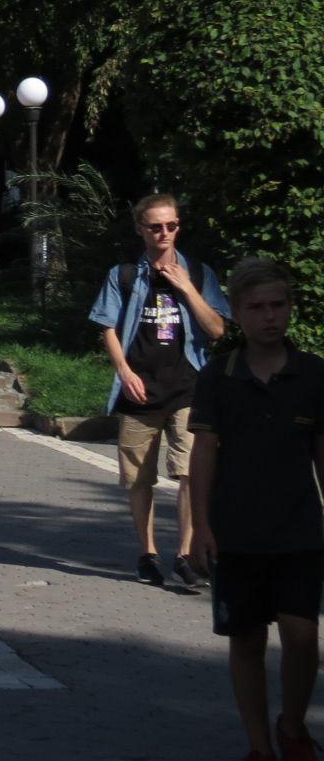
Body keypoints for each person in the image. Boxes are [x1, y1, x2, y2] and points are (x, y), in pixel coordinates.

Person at [185, 257, 322, 761]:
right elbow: (204, 453)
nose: (270, 316)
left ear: (290, 308)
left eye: (278, 305)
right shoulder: (219, 376)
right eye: (257, 307)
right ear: (237, 314)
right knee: (245, 639)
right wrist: (200, 526)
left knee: (302, 636)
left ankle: (293, 729)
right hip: (235, 530)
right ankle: (259, 749)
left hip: (299, 528)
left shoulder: (313, 374)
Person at [89, 193, 229, 588]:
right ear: (140, 229)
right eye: (155, 226)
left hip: (188, 387)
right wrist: (124, 371)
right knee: (138, 478)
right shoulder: (124, 276)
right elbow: (108, 326)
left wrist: (187, 289)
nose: (164, 233)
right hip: (140, 390)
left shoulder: (198, 272)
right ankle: (148, 553)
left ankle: (184, 554)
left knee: (190, 473)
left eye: (171, 225)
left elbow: (217, 329)